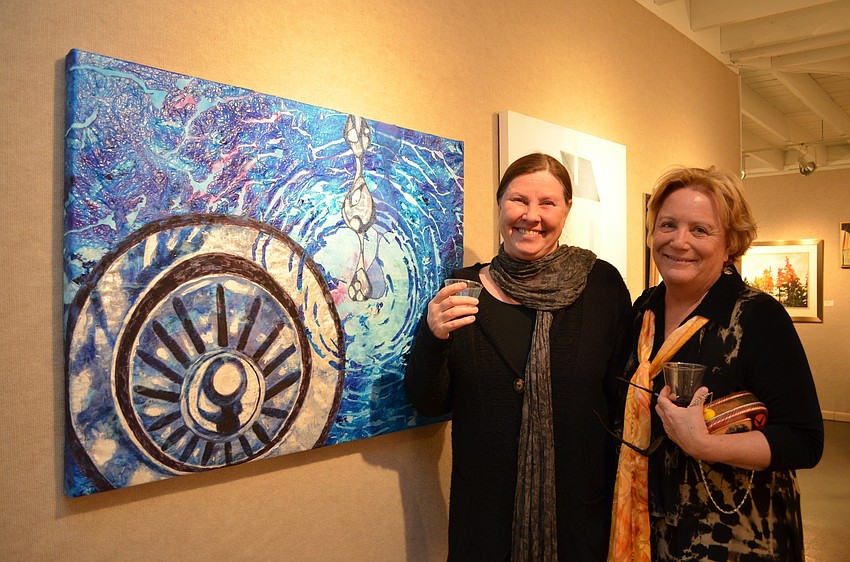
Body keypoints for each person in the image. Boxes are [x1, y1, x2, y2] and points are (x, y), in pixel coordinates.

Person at [405, 153, 632, 561]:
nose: (531, 215)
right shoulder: (462, 289)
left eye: (547, 203)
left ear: (566, 210)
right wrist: (433, 336)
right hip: (484, 519)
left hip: (577, 515)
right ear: (500, 205)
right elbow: (430, 401)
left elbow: (622, 399)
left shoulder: (603, 286)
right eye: (518, 200)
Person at [608, 166, 824, 562]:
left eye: (700, 230)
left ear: (730, 244)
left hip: (736, 540)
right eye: (667, 225)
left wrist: (704, 443)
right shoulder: (644, 312)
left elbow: (804, 441)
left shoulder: (758, 318)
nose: (679, 241)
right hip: (650, 532)